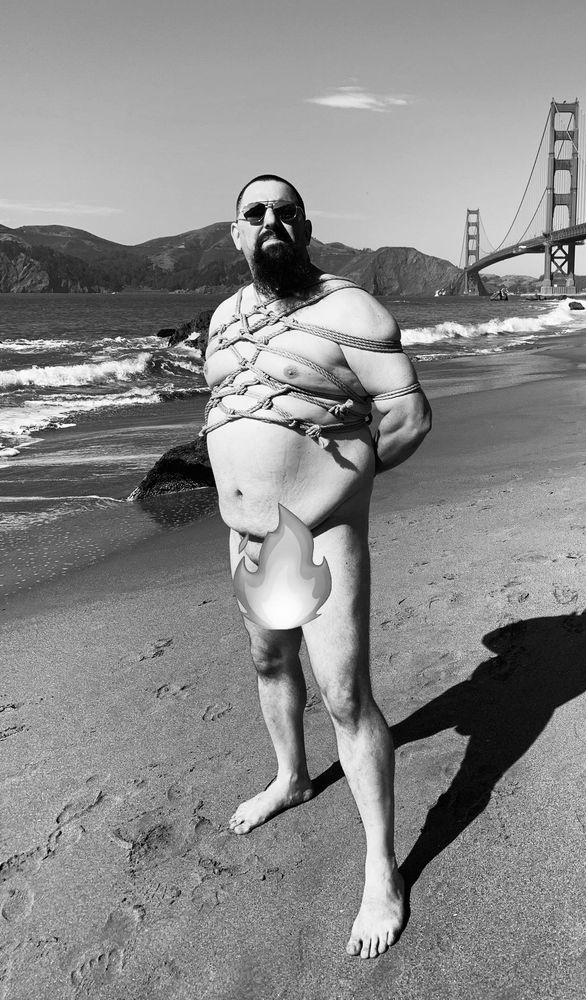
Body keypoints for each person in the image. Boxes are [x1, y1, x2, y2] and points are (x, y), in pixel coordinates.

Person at [201, 174, 432, 958]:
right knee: (270, 662)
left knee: (342, 695)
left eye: (285, 211)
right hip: (249, 537)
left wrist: (339, 489)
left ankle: (380, 871)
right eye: (255, 212)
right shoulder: (225, 319)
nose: (271, 220)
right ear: (236, 233)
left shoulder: (350, 310)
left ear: (306, 228)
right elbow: (234, 410)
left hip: (321, 531)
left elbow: (407, 412)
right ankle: (291, 778)